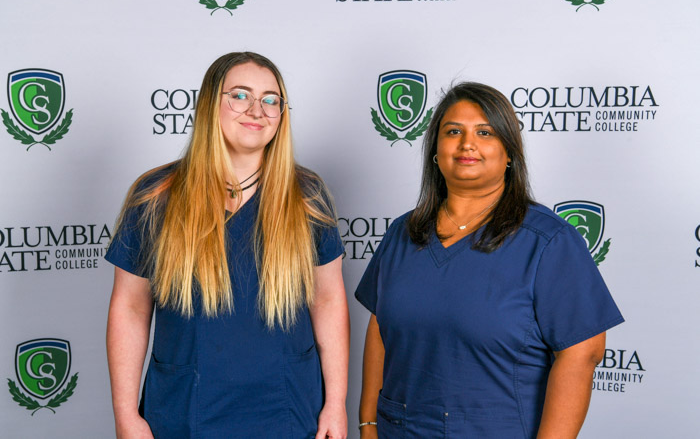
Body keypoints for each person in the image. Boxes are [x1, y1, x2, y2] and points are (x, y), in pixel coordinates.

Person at [355, 82, 623, 438]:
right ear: (435, 150)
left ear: (509, 152)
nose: (468, 144)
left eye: (485, 132)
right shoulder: (403, 233)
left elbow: (581, 354)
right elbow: (378, 329)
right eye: (453, 132)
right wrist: (368, 423)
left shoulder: (549, 242)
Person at [106, 52, 349, 439]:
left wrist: (336, 404)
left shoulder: (306, 195)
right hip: (184, 410)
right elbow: (131, 307)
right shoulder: (156, 196)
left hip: (285, 409)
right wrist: (125, 415)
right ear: (209, 105)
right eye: (240, 95)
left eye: (271, 100)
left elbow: (328, 300)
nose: (258, 109)